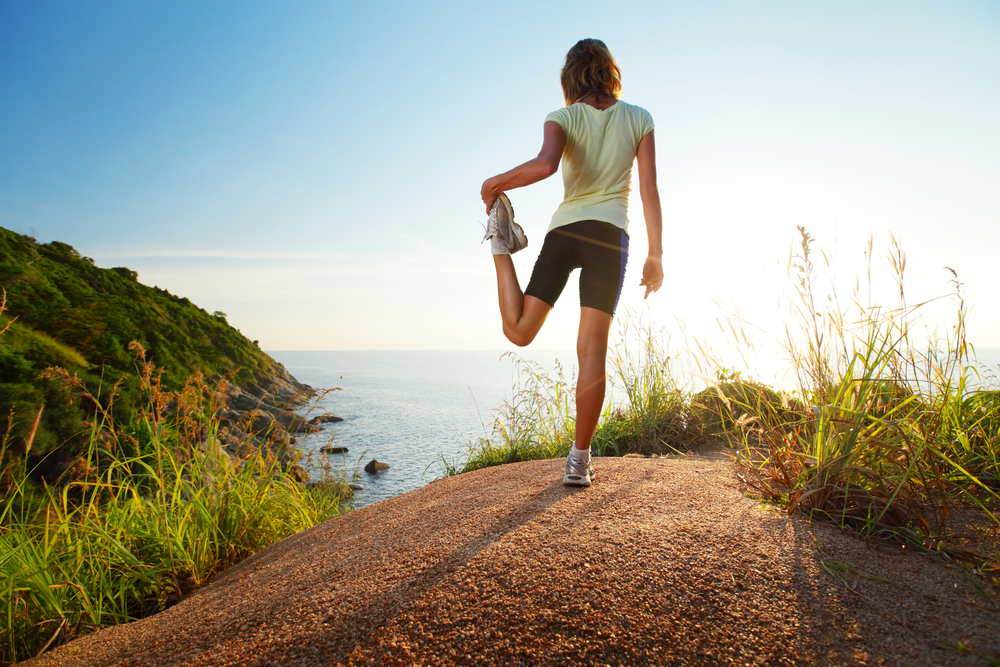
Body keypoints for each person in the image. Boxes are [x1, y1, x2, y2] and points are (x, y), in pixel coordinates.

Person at [480, 38, 663, 488]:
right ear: (609, 71)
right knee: (592, 351)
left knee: (518, 331)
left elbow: (545, 165)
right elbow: (648, 190)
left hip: (567, 231)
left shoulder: (562, 116)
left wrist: (495, 182)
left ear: (571, 76)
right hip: (609, 237)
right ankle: (578, 462)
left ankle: (501, 248)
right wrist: (655, 253)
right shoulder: (639, 118)